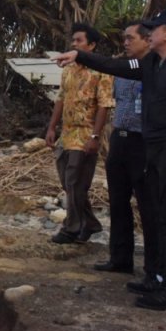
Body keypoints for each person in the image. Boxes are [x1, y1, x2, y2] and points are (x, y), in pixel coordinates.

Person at [53, 11, 166, 311]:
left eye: (152, 29)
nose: (149, 33)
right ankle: (155, 279)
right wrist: (79, 55)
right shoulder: (151, 64)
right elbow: (114, 65)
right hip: (153, 149)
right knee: (157, 215)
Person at [93, 22, 159, 278]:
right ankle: (120, 258)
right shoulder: (121, 69)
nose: (125, 43)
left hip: (142, 142)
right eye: (124, 38)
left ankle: (154, 268)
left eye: (130, 38)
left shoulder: (155, 67)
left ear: (146, 40)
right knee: (118, 202)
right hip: (119, 139)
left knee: (148, 205)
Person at [45, 23, 114, 245]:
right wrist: (51, 127)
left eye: (79, 41)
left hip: (85, 134)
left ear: (92, 45)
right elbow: (61, 99)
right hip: (66, 134)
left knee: (75, 181)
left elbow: (104, 105)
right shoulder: (68, 69)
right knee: (69, 183)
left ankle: (71, 228)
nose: (74, 44)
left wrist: (95, 137)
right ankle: (91, 223)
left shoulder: (102, 70)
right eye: (73, 40)